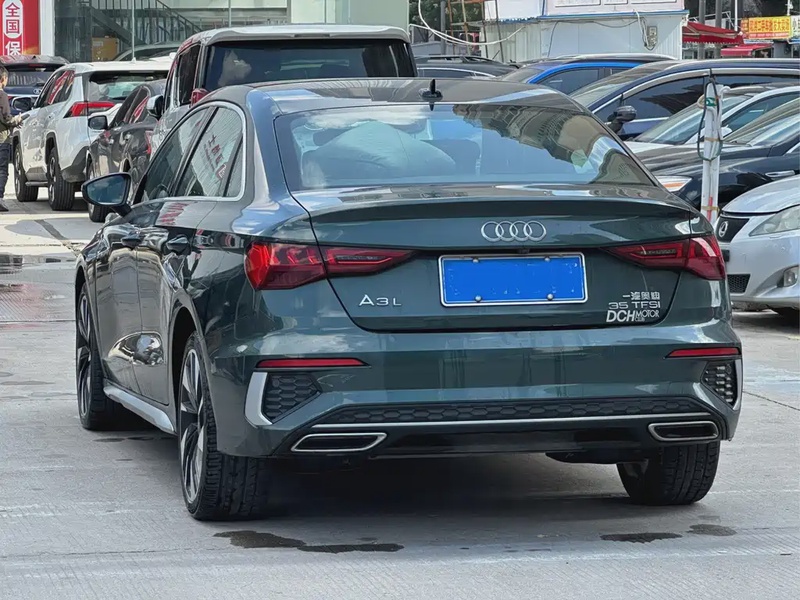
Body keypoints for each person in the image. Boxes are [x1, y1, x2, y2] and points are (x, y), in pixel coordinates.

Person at [0, 66, 29, 212]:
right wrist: (18, 120)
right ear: (3, 79)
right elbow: (6, 118)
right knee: (2, 169)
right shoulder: (2, 95)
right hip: (1, 139)